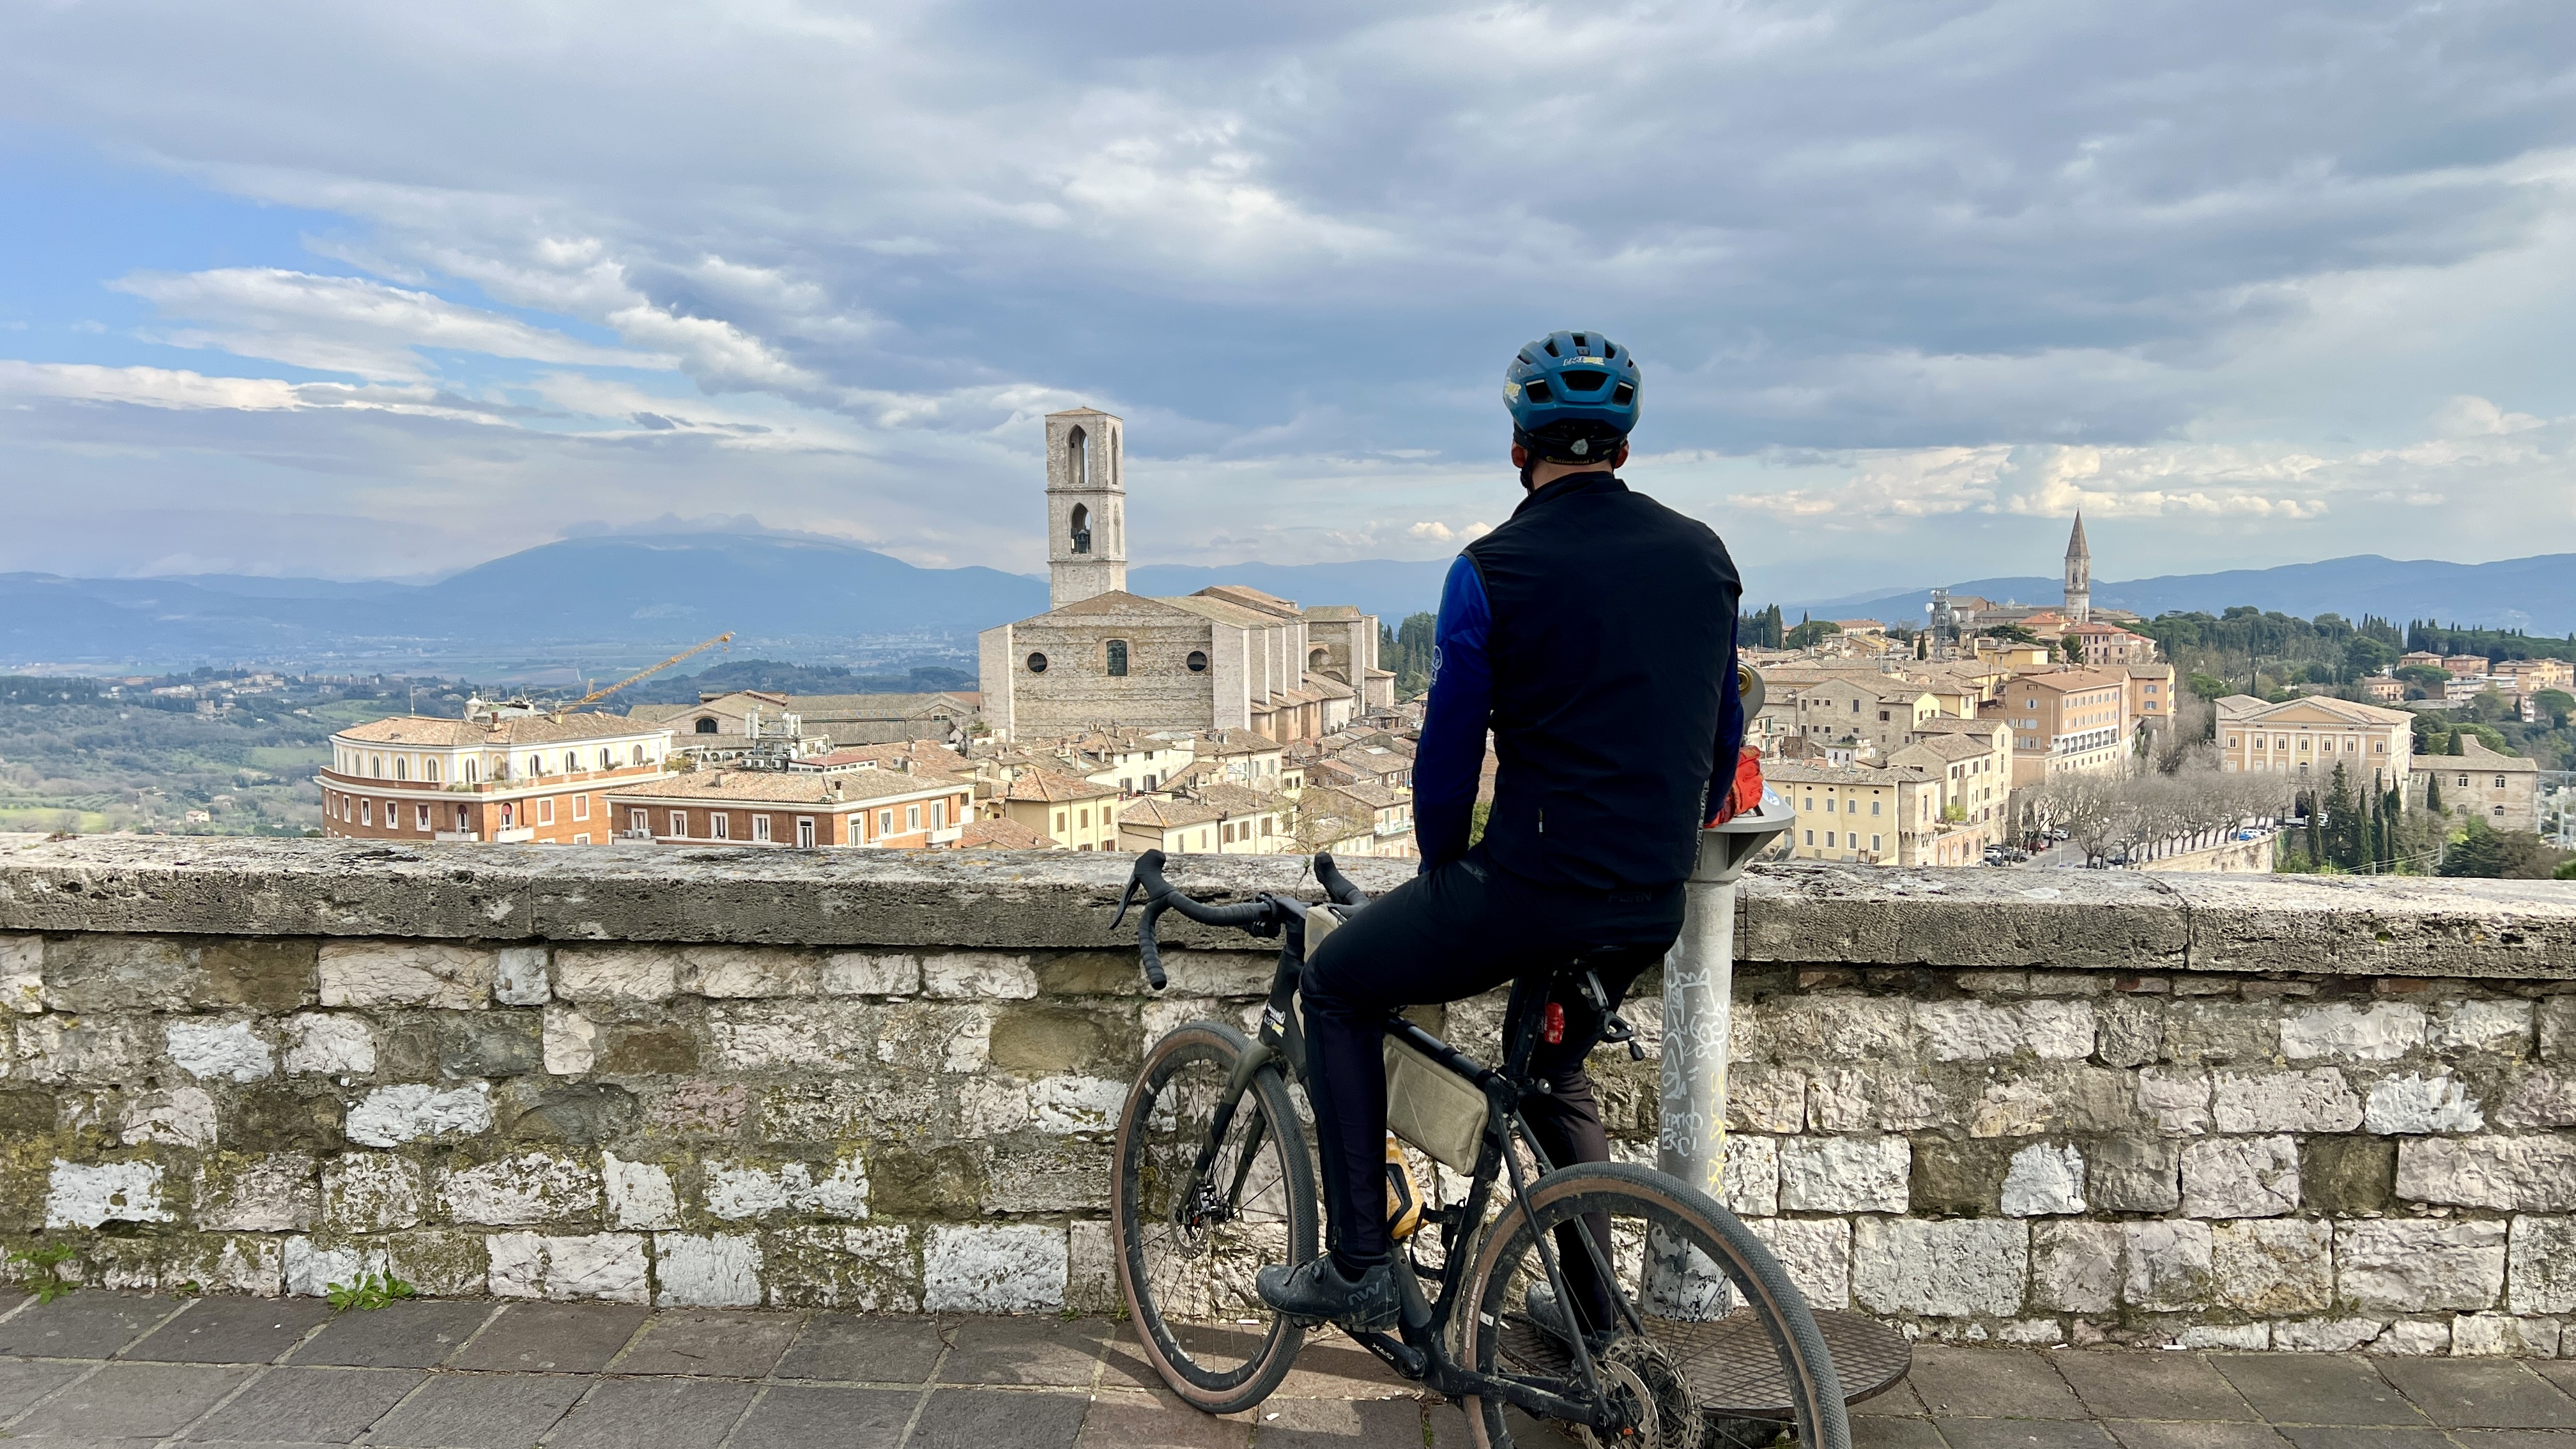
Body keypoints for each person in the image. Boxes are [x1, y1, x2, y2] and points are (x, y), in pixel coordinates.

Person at [1256, 330, 1746, 1333]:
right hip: (1649, 897)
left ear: (1519, 446)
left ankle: (1355, 1263)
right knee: (1557, 1070)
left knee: (1338, 986)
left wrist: (1442, 877)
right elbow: (1722, 736)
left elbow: (1445, 766)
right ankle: (1597, 1323)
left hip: (1527, 886)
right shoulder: (1706, 560)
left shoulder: (1491, 570)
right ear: (1624, 448)